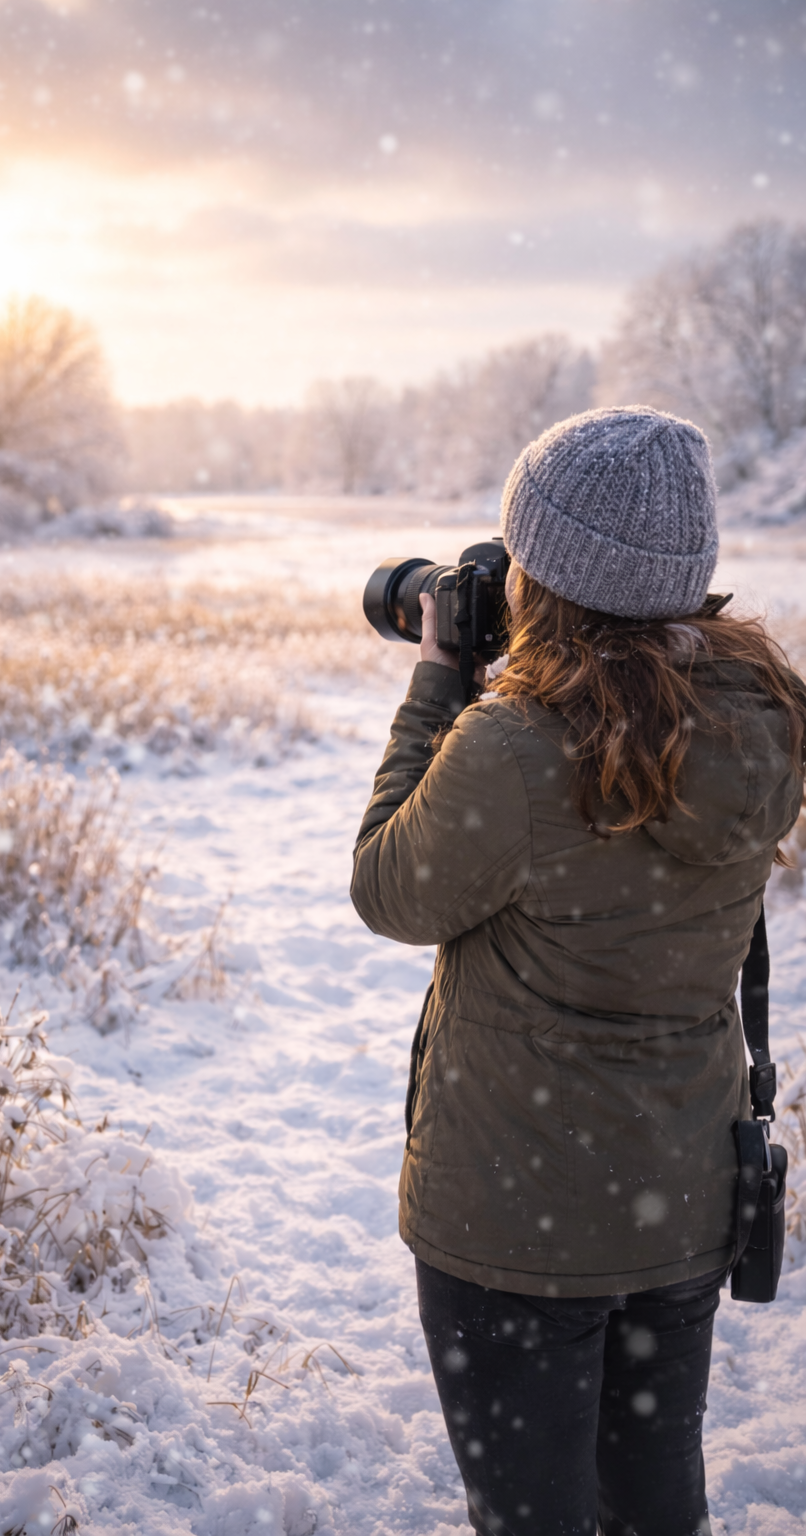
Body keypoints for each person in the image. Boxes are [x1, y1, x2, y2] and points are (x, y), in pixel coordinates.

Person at [350, 406, 806, 1536]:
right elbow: (634, 710)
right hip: (676, 1202)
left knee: (533, 1516)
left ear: (540, 579)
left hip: (515, 1227)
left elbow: (389, 888)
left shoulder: (513, 745)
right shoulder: (765, 718)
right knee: (653, 1505)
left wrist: (441, 677)